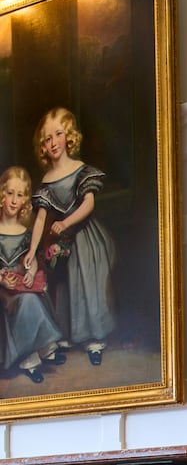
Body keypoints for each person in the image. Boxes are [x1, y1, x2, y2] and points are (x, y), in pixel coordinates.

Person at [25, 107, 115, 366]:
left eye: (58, 134)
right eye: (47, 138)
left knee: (89, 283)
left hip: (86, 239)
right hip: (62, 243)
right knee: (64, 284)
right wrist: (32, 251)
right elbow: (41, 218)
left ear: (69, 137)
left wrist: (65, 222)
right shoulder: (46, 181)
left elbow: (88, 204)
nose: (53, 142)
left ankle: (94, 339)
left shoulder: (81, 170)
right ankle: (71, 334)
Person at [0, 166, 66, 383]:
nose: (13, 200)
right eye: (9, 193)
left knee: (33, 295)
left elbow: (33, 258)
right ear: (2, 194)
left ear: (25, 201)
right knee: (27, 301)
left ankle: (43, 346)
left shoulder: (26, 233)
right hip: (3, 291)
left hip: (20, 284)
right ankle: (29, 358)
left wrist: (31, 271)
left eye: (19, 195)